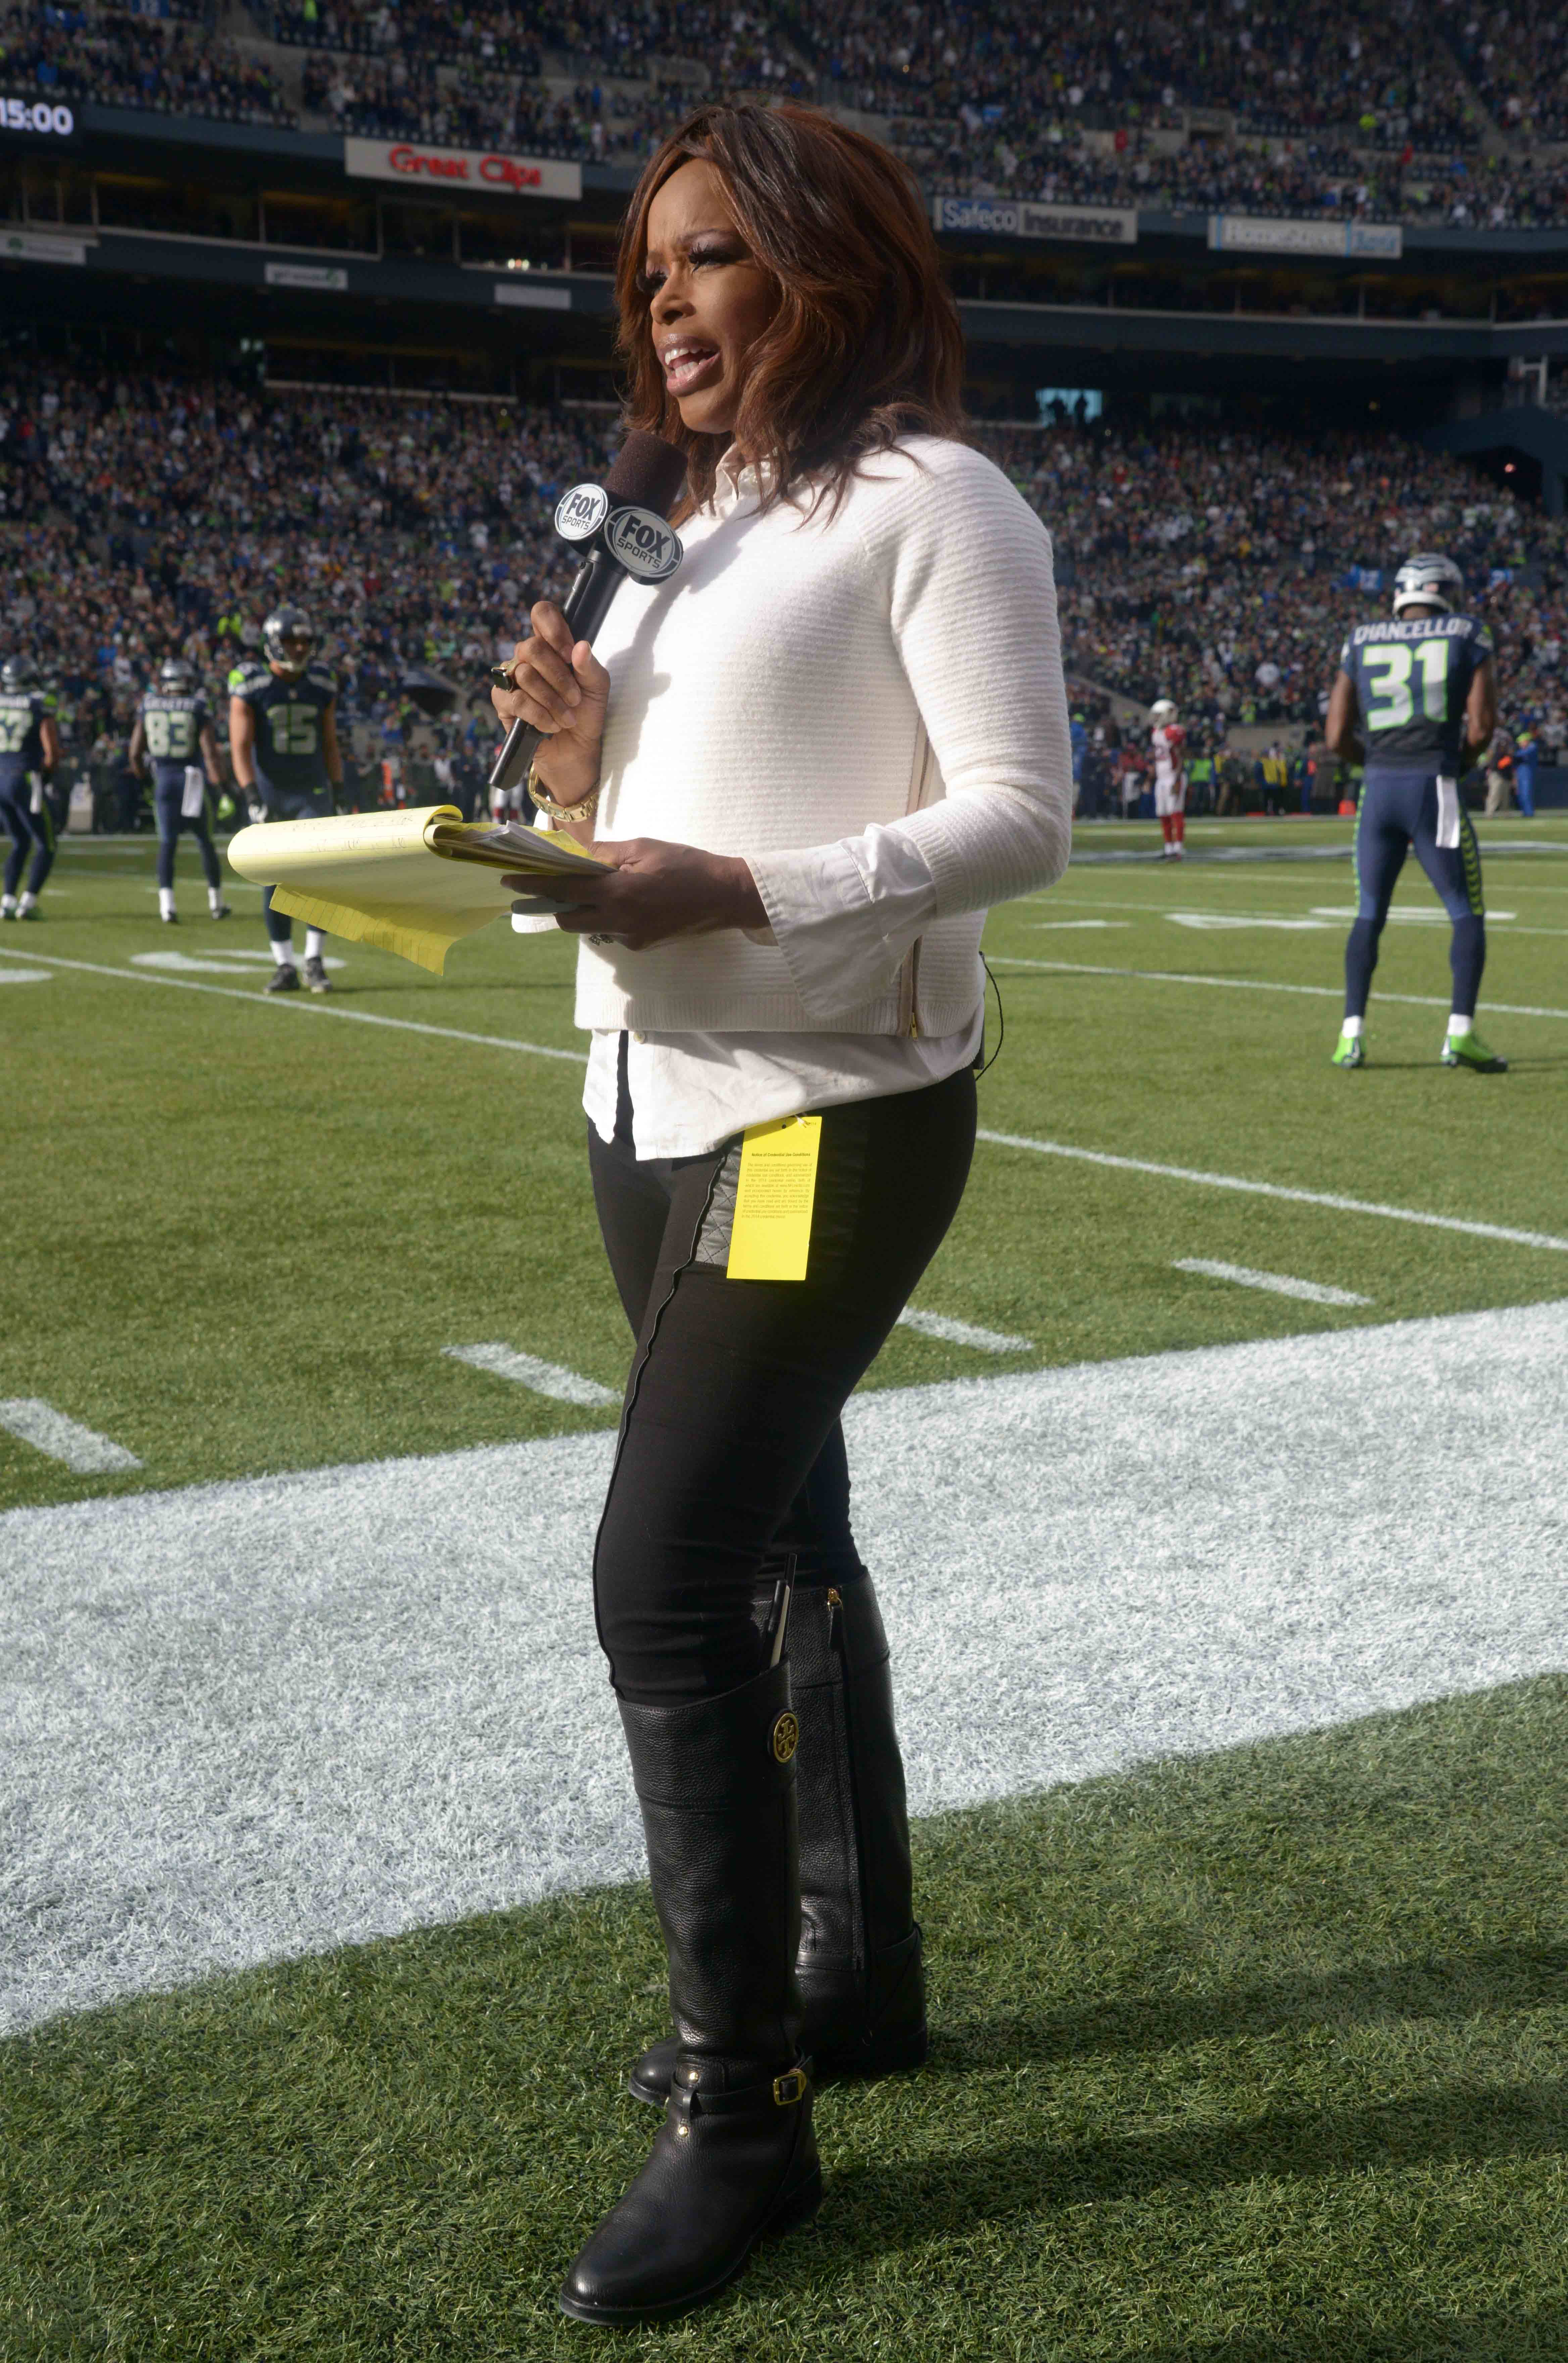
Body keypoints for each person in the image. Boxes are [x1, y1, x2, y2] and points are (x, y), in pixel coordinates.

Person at [490, 102, 1071, 2325]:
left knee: (664, 1580)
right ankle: (859, 1969)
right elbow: (660, 805)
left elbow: (1024, 815)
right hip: (641, 1081)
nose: (667, 305)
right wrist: (571, 782)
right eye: (646, 273)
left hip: (829, 1093)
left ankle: (740, 2111)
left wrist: (739, 887)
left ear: (823, 265)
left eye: (710, 258)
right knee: (787, 1547)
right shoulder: (694, 528)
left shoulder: (934, 497)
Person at [1325, 552, 1504, 1072]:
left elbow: (1336, 736)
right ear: (1445, 589)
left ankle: (1350, 1036)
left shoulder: (1361, 637)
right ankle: (1460, 1035)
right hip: (1434, 786)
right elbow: (1482, 727)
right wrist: (1456, 764)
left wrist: (1380, 762)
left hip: (1378, 792)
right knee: (1464, 910)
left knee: (1368, 914)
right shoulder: (1468, 633)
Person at [230, 605, 342, 993]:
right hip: (271, 790)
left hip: (311, 788)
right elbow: (240, 744)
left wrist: (339, 789)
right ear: (272, 644)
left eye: (304, 641)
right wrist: (249, 793)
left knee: (319, 875)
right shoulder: (250, 682)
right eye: (291, 641)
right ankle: (284, 965)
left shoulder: (322, 681)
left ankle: (314, 960)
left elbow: (330, 741)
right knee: (274, 880)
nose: (298, 648)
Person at [128, 657, 230, 924]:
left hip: (163, 779)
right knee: (205, 842)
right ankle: (216, 903)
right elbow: (210, 753)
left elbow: (135, 754)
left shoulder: (149, 706)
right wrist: (221, 789)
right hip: (192, 780)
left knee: (167, 844)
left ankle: (168, 906)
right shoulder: (197, 706)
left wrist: (147, 784)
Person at [0, 657, 59, 921]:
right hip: (23, 777)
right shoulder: (38, 703)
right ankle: (28, 903)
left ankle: (7, 901)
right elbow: (52, 754)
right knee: (46, 844)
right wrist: (44, 778)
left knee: (20, 842)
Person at [1149, 695, 1186, 857]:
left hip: (1173, 776)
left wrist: (1177, 780)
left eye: (1159, 715)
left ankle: (1178, 847)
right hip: (1161, 777)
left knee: (1175, 811)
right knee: (1163, 813)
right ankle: (1168, 848)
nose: (1156, 718)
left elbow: (1181, 756)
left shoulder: (1175, 731)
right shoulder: (1157, 732)